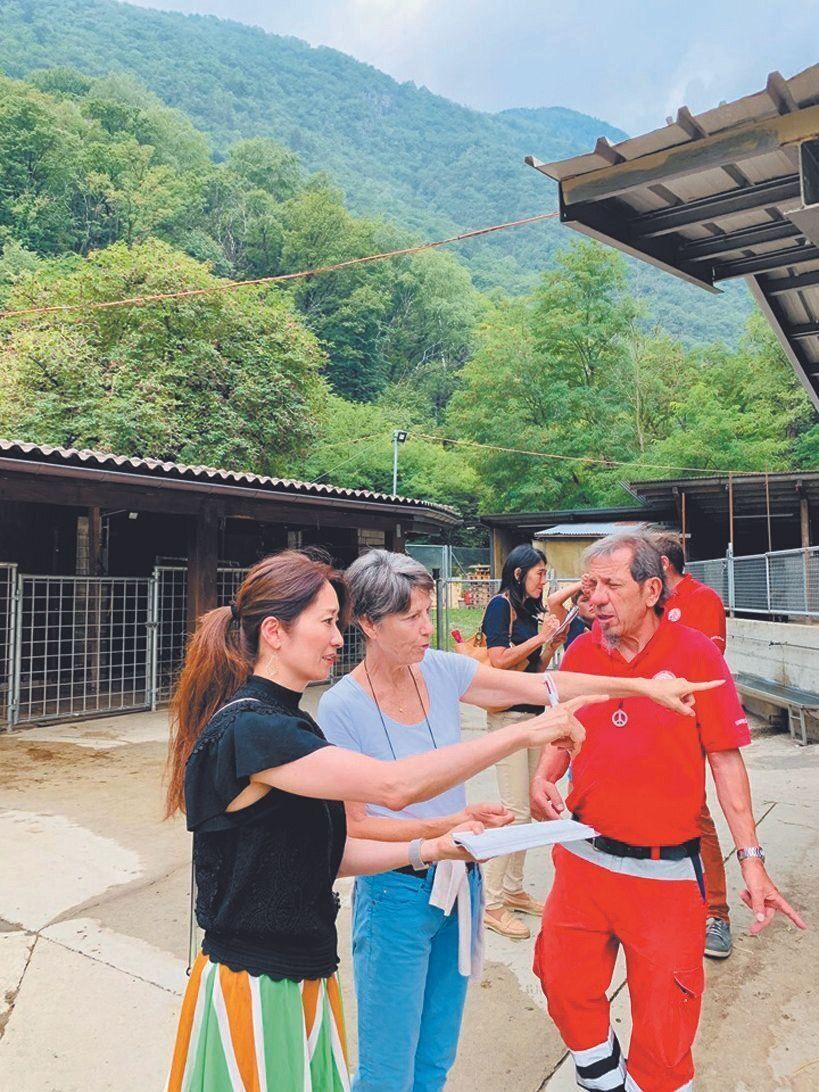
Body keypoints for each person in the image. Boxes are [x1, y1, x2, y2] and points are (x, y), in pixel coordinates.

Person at [164, 548, 590, 1091]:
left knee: (426, 1060)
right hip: (258, 982)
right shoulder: (258, 730)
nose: (337, 638)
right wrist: (525, 732)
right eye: (327, 622)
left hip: (301, 972)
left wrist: (433, 844)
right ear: (274, 632)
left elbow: (331, 852)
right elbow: (394, 786)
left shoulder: (288, 725)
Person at [318, 549, 724, 1092]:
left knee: (435, 1057)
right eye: (412, 617)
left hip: (459, 882)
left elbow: (546, 687)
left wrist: (646, 686)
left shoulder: (439, 670)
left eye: (427, 612)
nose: (428, 628)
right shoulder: (341, 706)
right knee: (386, 1071)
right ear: (369, 624)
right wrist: (440, 832)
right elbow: (356, 827)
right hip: (396, 891)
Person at [530, 532, 805, 1092]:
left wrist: (751, 860)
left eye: (611, 585)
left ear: (652, 590)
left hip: (664, 873)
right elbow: (565, 727)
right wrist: (544, 776)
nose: (595, 598)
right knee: (561, 982)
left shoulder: (696, 654)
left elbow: (725, 762)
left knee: (666, 1020)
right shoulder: (582, 652)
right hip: (582, 860)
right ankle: (604, 1078)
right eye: (590, 585)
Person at [654, 530, 734, 961]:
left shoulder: (702, 600)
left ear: (663, 565)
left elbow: (709, 667)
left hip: (686, 727)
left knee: (696, 815)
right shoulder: (649, 604)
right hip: (645, 727)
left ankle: (716, 913)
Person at [481, 544, 563, 939]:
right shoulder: (500, 606)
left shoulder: (529, 610)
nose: (543, 581)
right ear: (519, 574)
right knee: (514, 811)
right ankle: (491, 902)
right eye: (539, 574)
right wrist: (540, 637)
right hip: (508, 719)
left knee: (527, 807)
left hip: (532, 717)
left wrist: (550, 645)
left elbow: (533, 669)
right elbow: (498, 660)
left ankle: (513, 889)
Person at [547, 574, 597, 650]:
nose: (591, 603)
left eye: (594, 598)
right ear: (575, 606)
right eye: (585, 600)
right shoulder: (572, 623)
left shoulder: (608, 621)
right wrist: (583, 583)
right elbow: (553, 601)